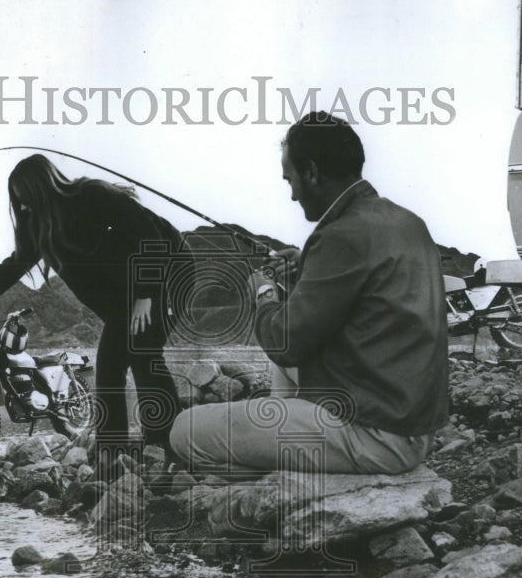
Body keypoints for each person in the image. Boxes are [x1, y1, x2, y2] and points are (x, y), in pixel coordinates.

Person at [169, 112, 449, 475]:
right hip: (407, 420)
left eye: (291, 179)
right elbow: (368, 293)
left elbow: (285, 343)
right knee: (281, 365)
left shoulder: (340, 236)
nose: (291, 194)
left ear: (313, 173)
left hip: (376, 435)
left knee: (184, 431)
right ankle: (285, 449)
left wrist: (265, 293)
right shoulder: (406, 221)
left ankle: (281, 477)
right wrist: (307, 269)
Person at [0, 154, 182, 475]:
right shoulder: (38, 225)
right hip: (126, 298)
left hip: (167, 274)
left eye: (27, 199)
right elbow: (12, 267)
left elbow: (151, 237)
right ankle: (113, 460)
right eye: (18, 202)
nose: (23, 209)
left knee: (143, 355)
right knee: (110, 369)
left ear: (44, 189)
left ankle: (169, 449)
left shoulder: (94, 195)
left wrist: (146, 294)